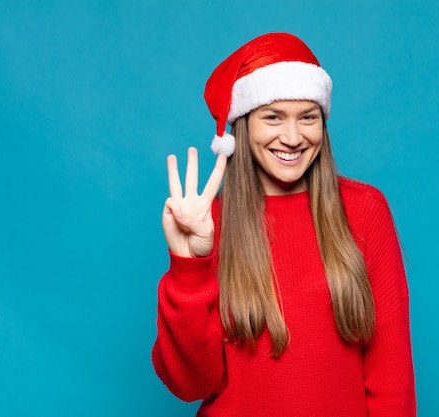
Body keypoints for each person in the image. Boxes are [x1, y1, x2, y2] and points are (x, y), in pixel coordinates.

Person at [152, 32, 416, 416]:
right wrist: (187, 268)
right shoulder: (209, 225)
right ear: (243, 126)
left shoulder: (365, 211)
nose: (292, 138)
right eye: (273, 117)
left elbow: (392, 380)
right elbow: (191, 384)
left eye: (307, 117)